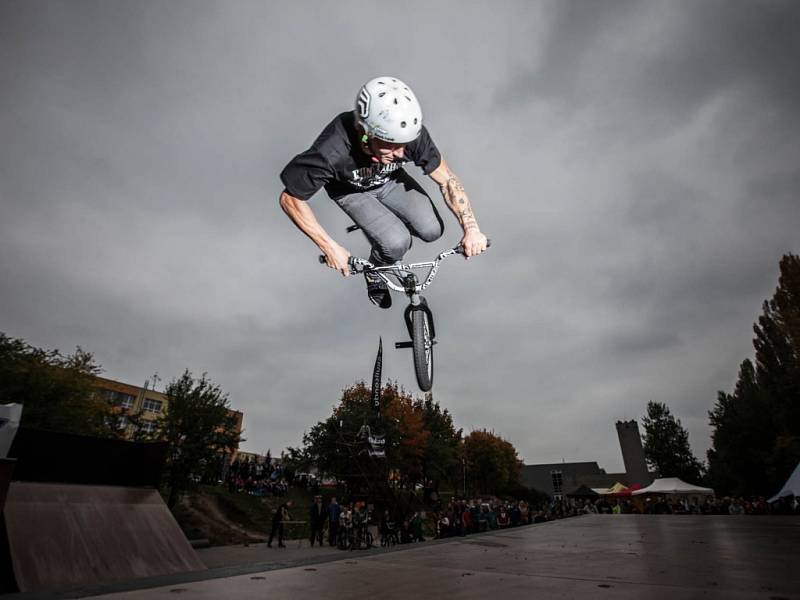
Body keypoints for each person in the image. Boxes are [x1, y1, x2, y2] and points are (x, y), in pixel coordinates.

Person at [280, 76, 488, 309]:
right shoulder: (332, 150)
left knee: (432, 230)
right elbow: (290, 198)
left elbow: (448, 179)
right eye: (391, 145)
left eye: (404, 144)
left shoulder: (409, 137)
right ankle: (376, 270)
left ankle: (383, 235)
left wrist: (472, 229)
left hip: (390, 180)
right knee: (396, 242)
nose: (401, 153)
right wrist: (330, 247)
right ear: (365, 133)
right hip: (351, 191)